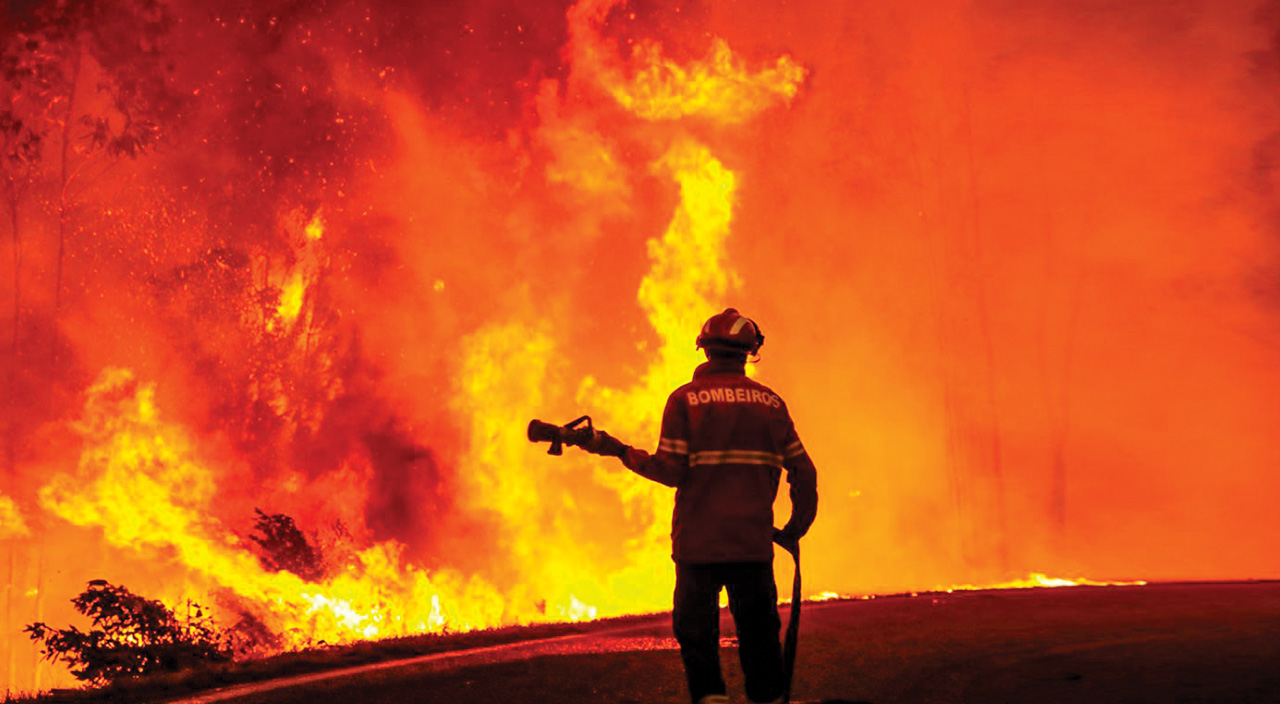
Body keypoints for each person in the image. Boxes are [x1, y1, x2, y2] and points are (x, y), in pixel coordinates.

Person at [578, 308, 819, 704]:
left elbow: (670, 471)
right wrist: (795, 528)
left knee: (697, 637)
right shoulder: (772, 404)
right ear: (750, 352)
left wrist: (619, 450)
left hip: (697, 547)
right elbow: (804, 472)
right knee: (759, 636)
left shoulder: (685, 400)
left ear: (704, 350)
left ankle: (711, 698)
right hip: (751, 547)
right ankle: (768, 699)